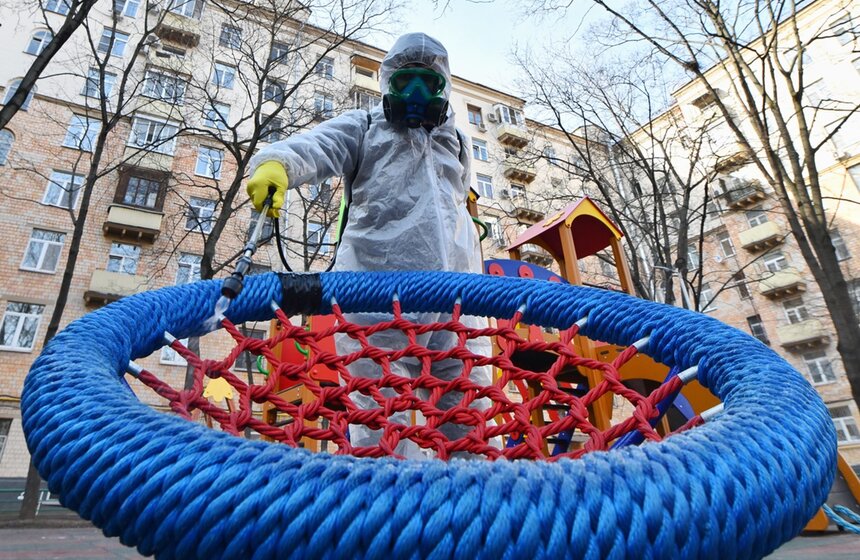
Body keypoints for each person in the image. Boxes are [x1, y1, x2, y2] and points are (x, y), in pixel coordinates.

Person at [246, 32, 492, 459]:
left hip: (454, 299)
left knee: (467, 413)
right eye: (405, 82)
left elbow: (453, 206)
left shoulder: (456, 141)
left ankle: (471, 493)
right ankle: (386, 494)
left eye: (428, 83)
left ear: (444, 88)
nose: (416, 94)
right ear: (387, 83)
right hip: (376, 296)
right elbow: (318, 145)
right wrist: (278, 163)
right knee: (380, 419)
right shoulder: (364, 126)